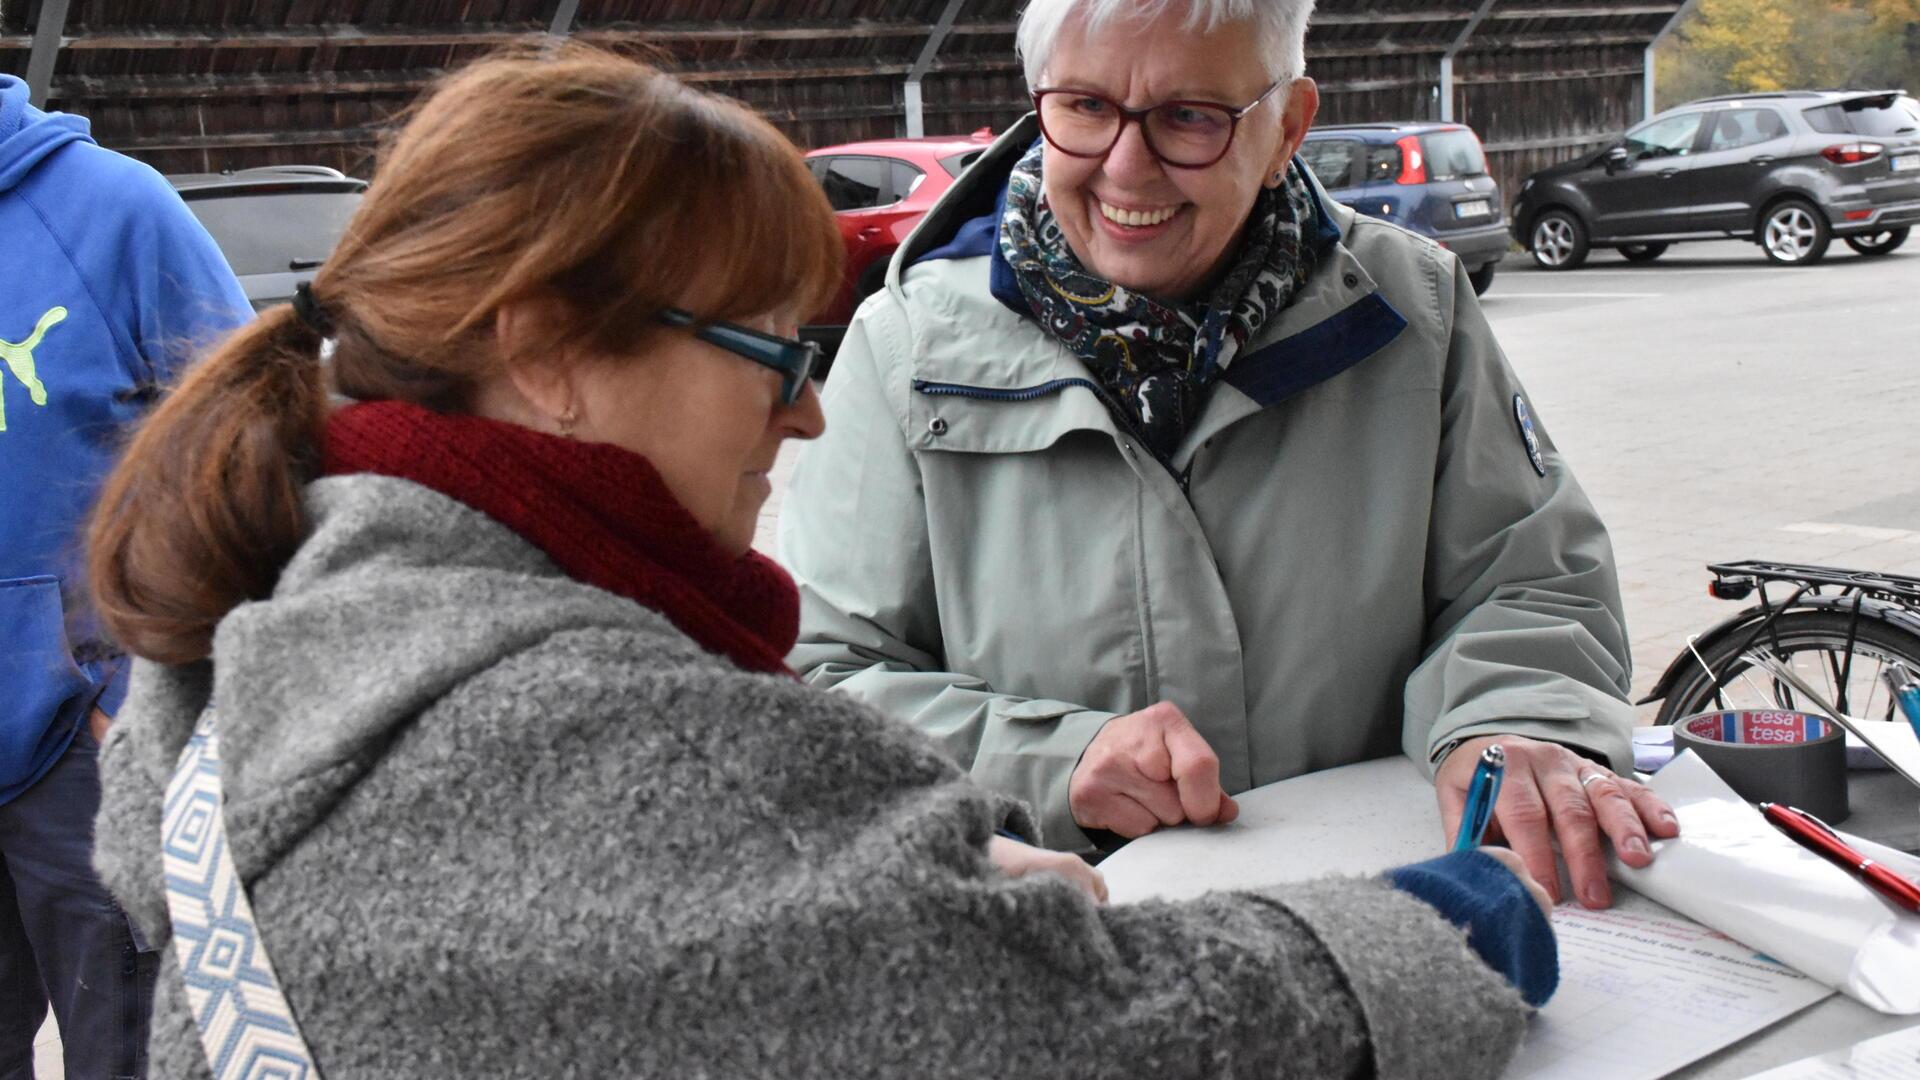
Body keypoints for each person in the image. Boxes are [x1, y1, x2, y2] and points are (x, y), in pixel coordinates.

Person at [88, 47, 1556, 1078]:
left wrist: (874, 879)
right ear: (545, 353)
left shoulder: (274, 647)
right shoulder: (617, 732)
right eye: (774, 351)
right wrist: (1459, 923)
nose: (805, 408)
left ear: (1286, 119)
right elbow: (1114, 1036)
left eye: (1187, 115)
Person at [778, 0, 1678, 911]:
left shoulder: (1415, 313)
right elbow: (817, 678)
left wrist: (1509, 721)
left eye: (1189, 118)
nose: (1127, 167)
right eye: (1086, 107)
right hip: (1078, 955)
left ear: (1287, 128)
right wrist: (1054, 760)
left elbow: (1531, 581)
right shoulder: (908, 350)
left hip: (1385, 925)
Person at [0, 71, 250, 1078]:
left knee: (130, 1054)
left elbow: (247, 448)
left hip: (85, 751)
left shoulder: (113, 210)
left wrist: (139, 682)